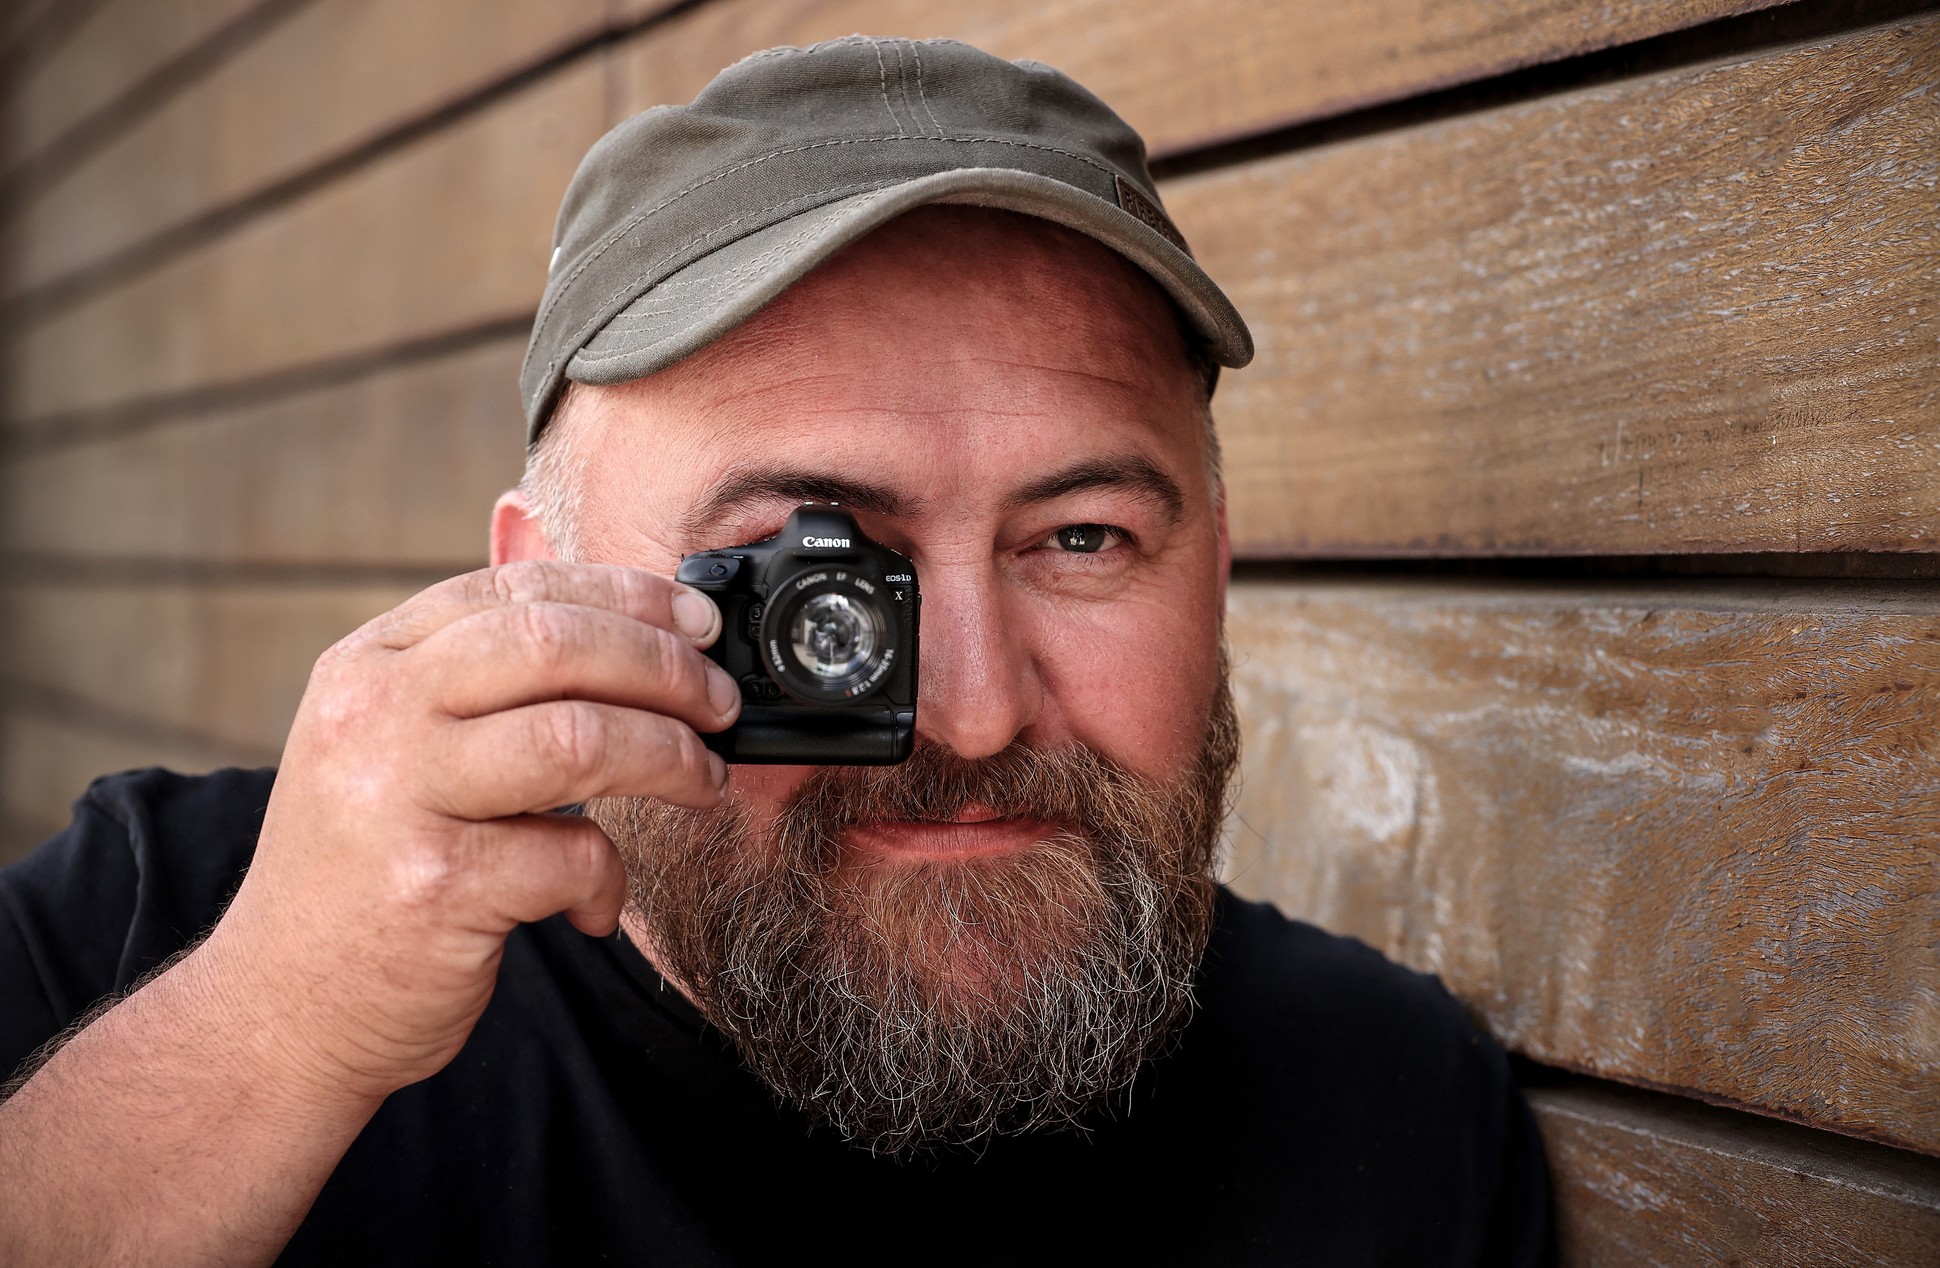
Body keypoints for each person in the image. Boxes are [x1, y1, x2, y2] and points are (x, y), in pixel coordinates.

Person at [0, 38, 1550, 1265]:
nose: (973, 708)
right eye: (818, 574)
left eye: (1081, 540)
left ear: (1212, 566)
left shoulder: (1391, 1117)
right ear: (548, 597)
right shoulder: (148, 949)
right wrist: (273, 1033)